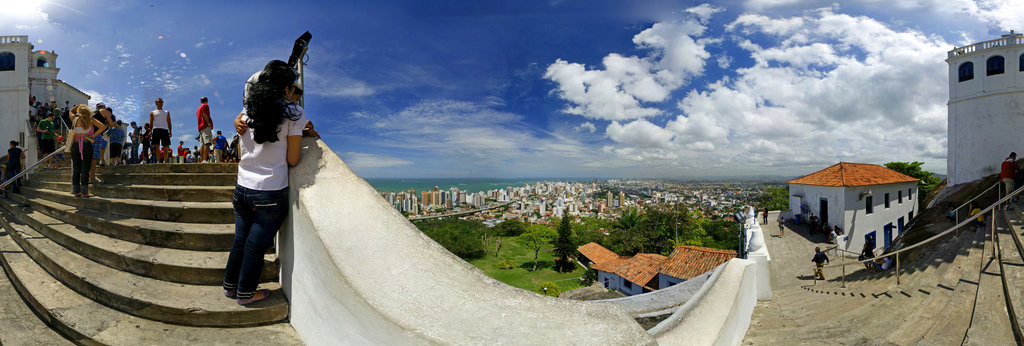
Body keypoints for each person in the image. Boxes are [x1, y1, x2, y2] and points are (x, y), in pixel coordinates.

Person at [223, 60, 306, 305]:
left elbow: (241, 144)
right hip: (269, 193)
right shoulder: (294, 113)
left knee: (241, 240)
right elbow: (293, 159)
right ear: (287, 88)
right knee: (255, 247)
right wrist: (300, 134)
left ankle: (230, 286)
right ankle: (246, 294)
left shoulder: (247, 111)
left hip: (242, 189)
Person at [69, 105, 107, 198]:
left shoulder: (75, 119)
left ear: (79, 111)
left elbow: (70, 111)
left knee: (76, 169)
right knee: (85, 169)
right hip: (87, 144)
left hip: (75, 146)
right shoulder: (91, 120)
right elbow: (103, 127)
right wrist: (93, 136)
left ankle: (76, 191)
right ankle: (85, 192)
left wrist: (78, 106)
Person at [149, 98, 172, 163]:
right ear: (156, 103)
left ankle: (165, 160)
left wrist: (170, 131)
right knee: (156, 145)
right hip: (156, 129)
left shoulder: (166, 112)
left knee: (165, 146)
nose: (161, 103)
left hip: (164, 129)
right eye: (159, 102)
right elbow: (151, 122)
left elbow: (169, 122)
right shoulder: (152, 112)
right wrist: (150, 131)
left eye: (162, 102)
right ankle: (158, 160)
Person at [197, 96, 213, 163]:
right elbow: (205, 114)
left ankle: (202, 160)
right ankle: (204, 160)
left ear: (200, 101)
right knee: (207, 143)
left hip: (200, 128)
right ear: (207, 101)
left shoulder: (198, 109)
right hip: (205, 126)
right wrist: (208, 123)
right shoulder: (205, 105)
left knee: (202, 145)